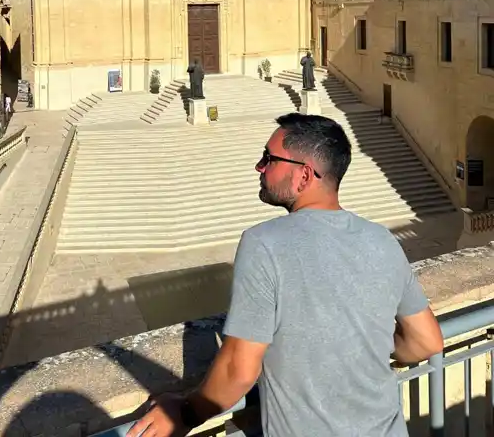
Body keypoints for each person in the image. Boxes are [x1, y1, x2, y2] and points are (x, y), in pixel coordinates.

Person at [128, 112, 444, 437]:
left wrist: (185, 413)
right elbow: (426, 341)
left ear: (304, 175)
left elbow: (238, 369)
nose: (259, 167)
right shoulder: (381, 239)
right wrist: (369, 347)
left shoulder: (264, 243)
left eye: (269, 158)